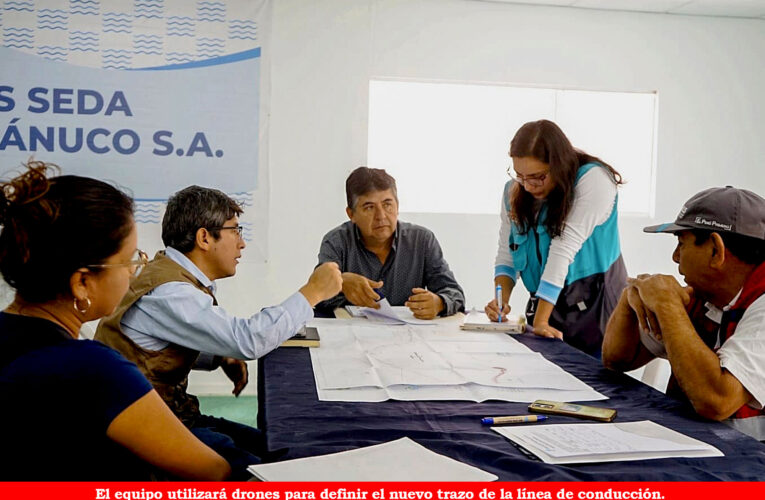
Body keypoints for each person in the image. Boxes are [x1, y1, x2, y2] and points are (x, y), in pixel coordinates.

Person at [0, 161, 230, 480]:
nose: (136, 271)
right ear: (82, 282)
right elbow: (211, 471)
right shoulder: (93, 368)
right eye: (130, 261)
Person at [95, 185, 342, 478]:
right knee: (266, 473)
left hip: (173, 415)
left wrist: (217, 358)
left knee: (281, 448)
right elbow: (247, 340)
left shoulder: (170, 275)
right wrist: (312, 293)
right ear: (204, 237)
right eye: (235, 231)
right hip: (152, 431)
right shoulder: (171, 291)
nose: (243, 244)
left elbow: (152, 345)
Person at [602, 186, 765, 440]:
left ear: (715, 250)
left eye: (681, 244)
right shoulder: (704, 297)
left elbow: (717, 401)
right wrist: (631, 296)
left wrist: (666, 305)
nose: (675, 257)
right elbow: (618, 359)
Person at [485, 120, 627, 356]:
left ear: (558, 165)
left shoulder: (594, 180)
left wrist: (541, 322)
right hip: (547, 303)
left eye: (537, 177)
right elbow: (507, 252)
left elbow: (564, 247)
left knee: (593, 384)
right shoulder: (514, 190)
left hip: (595, 306)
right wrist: (501, 301)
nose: (528, 186)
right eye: (520, 175)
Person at [316, 166, 464, 319]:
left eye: (387, 204)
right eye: (369, 207)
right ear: (351, 214)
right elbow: (317, 295)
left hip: (409, 336)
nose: (381, 216)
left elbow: (454, 293)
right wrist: (342, 283)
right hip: (355, 336)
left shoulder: (422, 240)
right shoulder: (336, 242)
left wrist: (439, 302)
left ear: (397, 206)